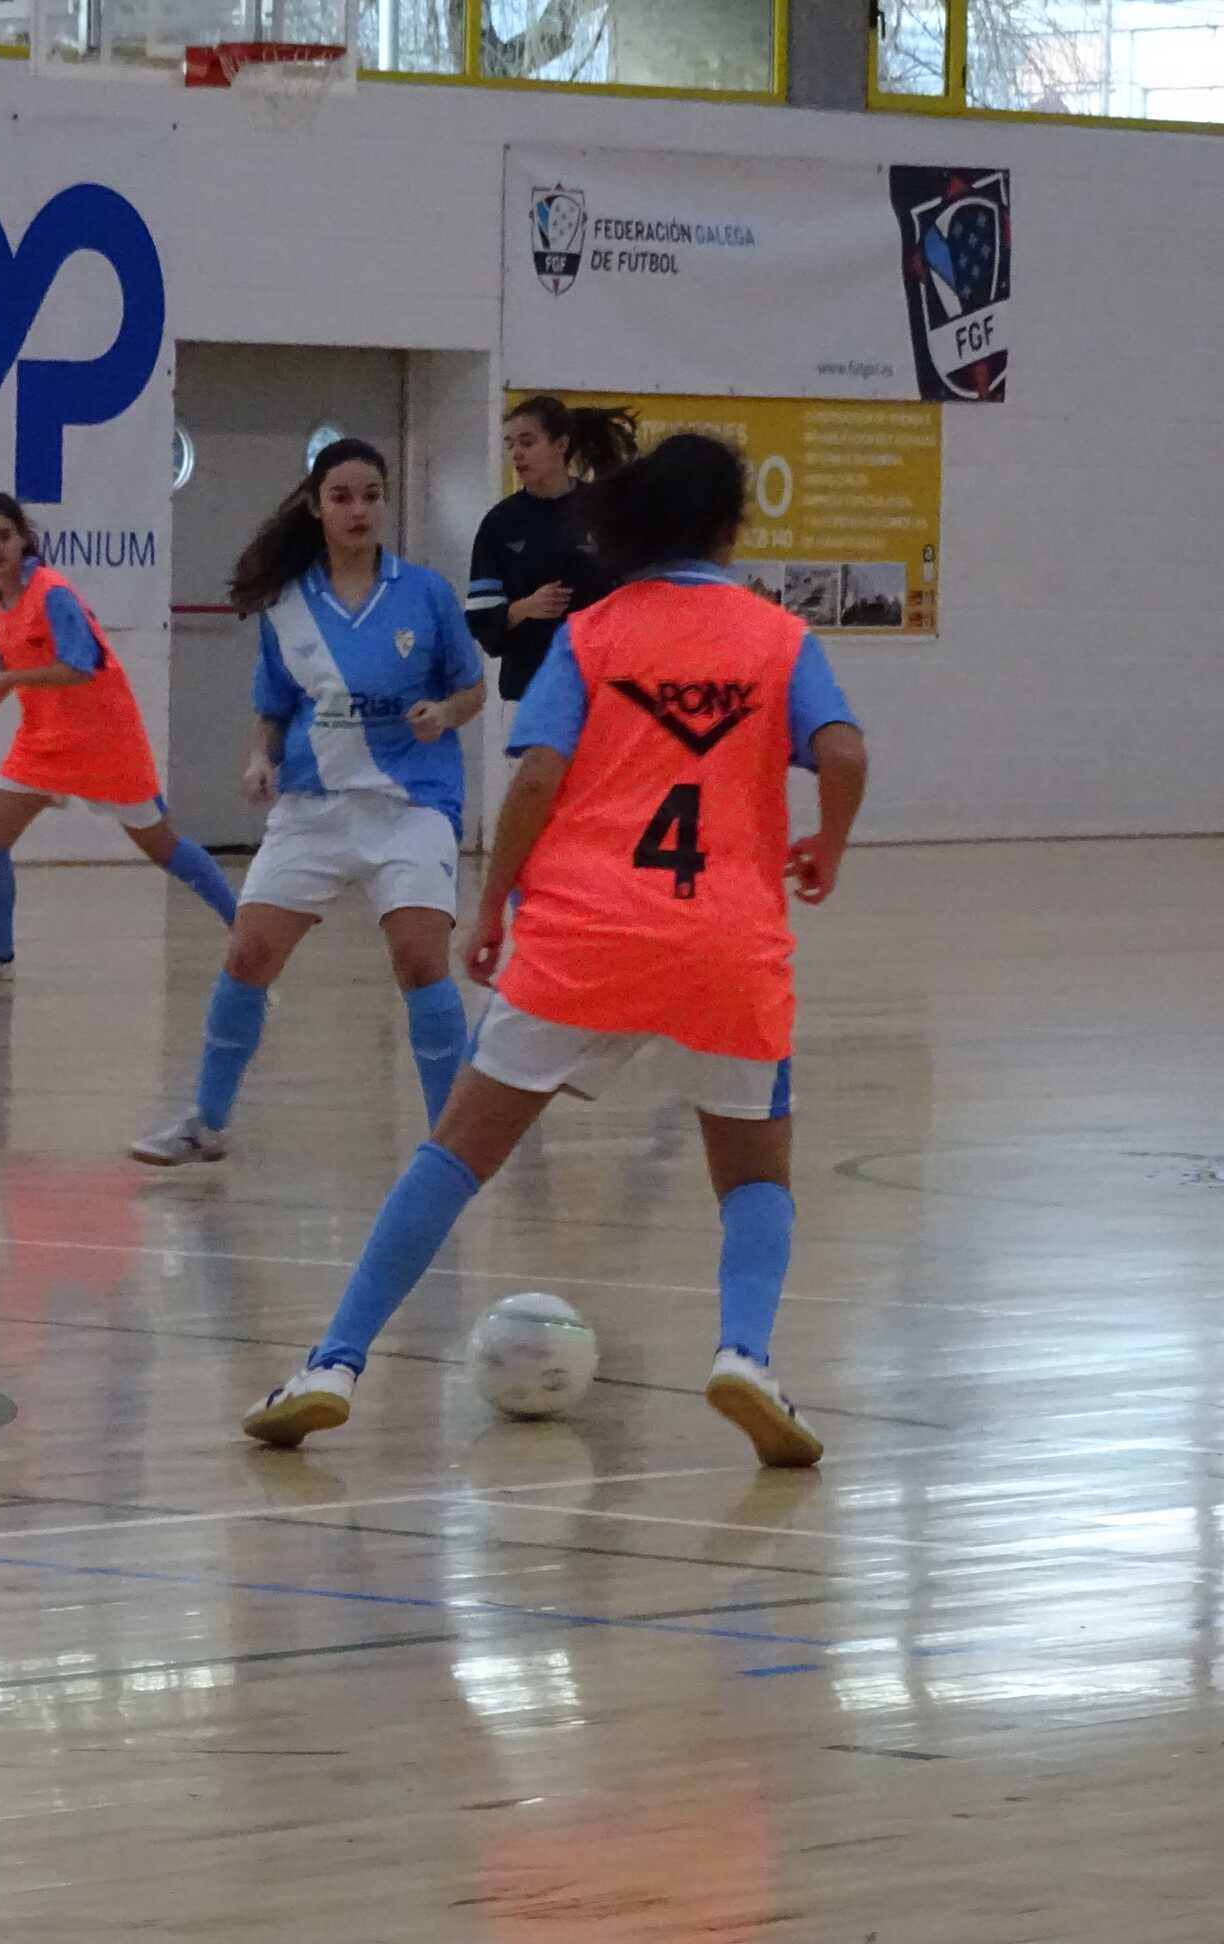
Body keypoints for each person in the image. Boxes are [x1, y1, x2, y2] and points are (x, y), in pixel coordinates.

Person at [239, 432, 868, 1468]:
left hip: (587, 935)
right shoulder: (779, 638)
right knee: (755, 1176)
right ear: (730, 529)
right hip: (725, 938)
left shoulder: (593, 634)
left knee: (453, 1155)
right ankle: (746, 1356)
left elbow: (536, 780)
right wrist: (828, 846)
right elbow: (841, 751)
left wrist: (492, 906)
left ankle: (333, 1364)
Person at [131, 439, 484, 1166]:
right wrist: (260, 758)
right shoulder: (287, 606)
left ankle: (453, 1142)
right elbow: (273, 708)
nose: (358, 510)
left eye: (371, 495)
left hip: (410, 805)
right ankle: (205, 1122)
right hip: (312, 810)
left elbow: (472, 688)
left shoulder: (426, 594)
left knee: (420, 962)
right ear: (317, 507)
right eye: (341, 497)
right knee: (248, 953)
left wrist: (447, 714)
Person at [0, 493, 238, 982]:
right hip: (43, 739)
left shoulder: (52, 593)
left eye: (5, 536)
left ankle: (244, 925)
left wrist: (8, 679)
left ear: (23, 538)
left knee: (162, 846)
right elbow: (6, 671)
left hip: (105, 735)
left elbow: (79, 668)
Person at [467, 397, 638, 702]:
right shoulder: (500, 522)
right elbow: (480, 618)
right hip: (528, 689)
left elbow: (635, 595)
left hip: (601, 686)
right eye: (510, 444)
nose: (516, 454)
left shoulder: (602, 510)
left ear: (561, 445)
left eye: (527, 442)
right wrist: (522, 608)